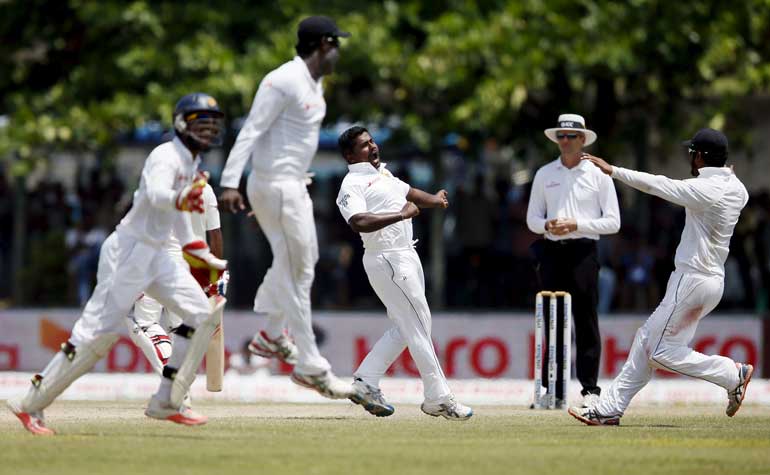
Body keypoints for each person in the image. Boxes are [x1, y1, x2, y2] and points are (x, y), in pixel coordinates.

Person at [6, 93, 228, 435]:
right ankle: (29, 405)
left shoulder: (191, 166)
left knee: (202, 317)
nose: (210, 128)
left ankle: (166, 400)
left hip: (158, 256)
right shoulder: (165, 156)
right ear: (182, 123)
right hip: (128, 252)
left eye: (213, 122)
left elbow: (183, 229)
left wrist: (210, 263)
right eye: (202, 121)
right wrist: (181, 198)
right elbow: (156, 195)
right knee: (98, 335)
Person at [569, 128, 753, 426]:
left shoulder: (703, 192)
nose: (690, 159)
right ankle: (609, 409)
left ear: (701, 157)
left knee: (660, 351)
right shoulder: (737, 189)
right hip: (709, 281)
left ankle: (732, 374)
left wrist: (613, 170)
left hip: (691, 280)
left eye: (692, 153)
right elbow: (734, 186)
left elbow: (658, 185)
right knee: (646, 340)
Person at [218, 16, 352, 399]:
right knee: (297, 271)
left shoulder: (316, 82)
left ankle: (273, 335)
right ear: (323, 44)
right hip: (275, 185)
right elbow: (251, 131)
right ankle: (310, 363)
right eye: (336, 44)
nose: (339, 52)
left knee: (302, 262)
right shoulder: (282, 80)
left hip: (292, 185)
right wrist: (230, 183)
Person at [336, 126, 473, 421]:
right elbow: (358, 221)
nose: (372, 147)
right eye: (363, 145)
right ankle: (438, 397)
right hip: (385, 259)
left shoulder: (382, 174)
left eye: (372, 141)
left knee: (409, 326)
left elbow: (409, 193)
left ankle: (366, 381)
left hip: (406, 255)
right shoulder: (352, 183)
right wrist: (401, 215)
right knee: (418, 327)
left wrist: (434, 200)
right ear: (350, 155)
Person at [526, 114, 620, 408]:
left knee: (586, 319)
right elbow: (532, 219)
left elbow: (613, 222)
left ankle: (590, 390)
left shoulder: (597, 174)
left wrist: (575, 225)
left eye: (570, 136)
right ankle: (548, 390)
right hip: (553, 250)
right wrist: (549, 226)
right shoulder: (544, 173)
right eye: (561, 136)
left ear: (582, 139)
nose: (564, 141)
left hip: (583, 251)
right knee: (551, 318)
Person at [127, 182, 227, 377]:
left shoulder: (156, 185)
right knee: (178, 330)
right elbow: (215, 235)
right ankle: (178, 392)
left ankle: (171, 376)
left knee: (142, 323)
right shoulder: (206, 190)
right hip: (192, 269)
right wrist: (216, 277)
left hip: (157, 263)